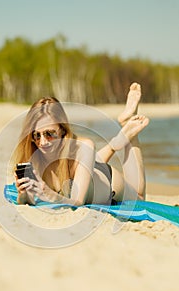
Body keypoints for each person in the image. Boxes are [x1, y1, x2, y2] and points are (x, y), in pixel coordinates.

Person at [14, 82, 149, 206]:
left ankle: (128, 126)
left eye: (49, 134)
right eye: (36, 135)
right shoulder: (34, 157)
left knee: (140, 197)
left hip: (108, 182)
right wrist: (23, 194)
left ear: (62, 130)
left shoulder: (84, 147)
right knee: (86, 158)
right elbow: (27, 202)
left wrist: (48, 194)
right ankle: (115, 143)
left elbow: (78, 202)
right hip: (86, 167)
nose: (42, 142)